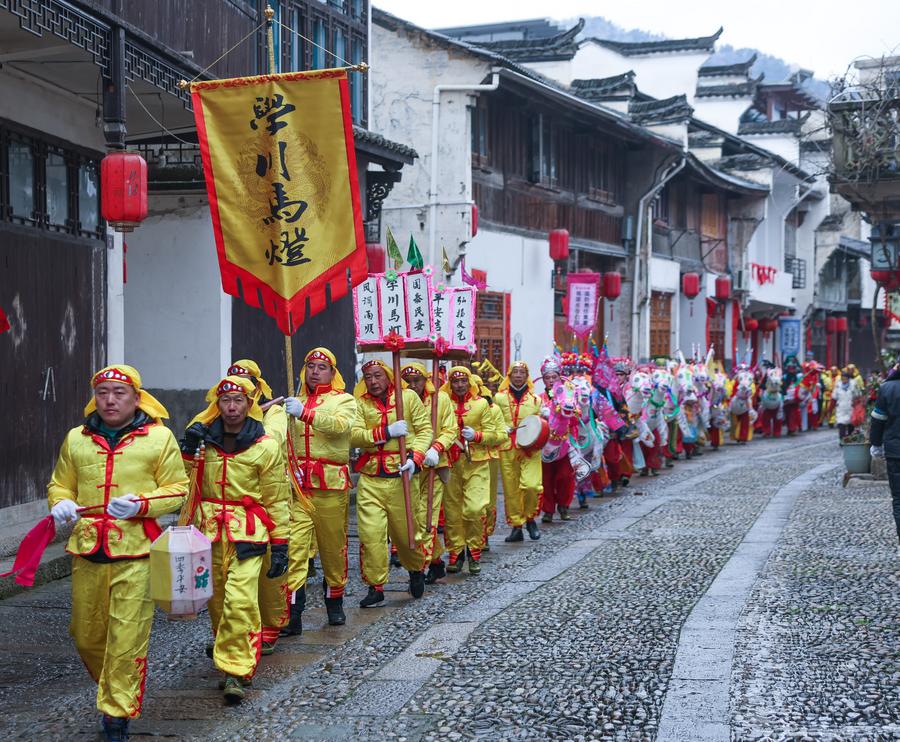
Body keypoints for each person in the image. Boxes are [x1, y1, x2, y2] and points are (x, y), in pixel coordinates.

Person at [48, 365, 188, 741]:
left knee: (127, 638)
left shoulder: (159, 439)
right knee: (86, 635)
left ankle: (116, 713)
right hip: (88, 547)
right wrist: (60, 503)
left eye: (118, 393)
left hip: (137, 552)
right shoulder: (76, 438)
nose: (109, 400)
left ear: (136, 398)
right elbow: (61, 484)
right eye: (103, 392)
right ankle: (114, 685)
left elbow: (178, 489)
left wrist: (142, 504)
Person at [181, 376, 290, 704]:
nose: (231, 407)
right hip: (208, 532)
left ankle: (237, 671)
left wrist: (281, 542)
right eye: (225, 400)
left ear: (250, 404)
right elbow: (181, 480)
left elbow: (276, 497)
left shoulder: (266, 445)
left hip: (248, 532)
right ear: (217, 403)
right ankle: (227, 654)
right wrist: (188, 450)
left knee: (240, 600)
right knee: (215, 602)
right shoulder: (203, 439)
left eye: (238, 400)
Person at [281, 348, 356, 630]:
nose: (315, 371)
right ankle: (293, 614)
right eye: (310, 365)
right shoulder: (292, 402)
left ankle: (334, 600)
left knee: (332, 550)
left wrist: (306, 414)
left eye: (322, 366)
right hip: (299, 488)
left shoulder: (344, 401)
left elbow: (341, 427)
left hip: (330, 487)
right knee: (294, 549)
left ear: (333, 372)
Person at [351, 359, 431, 606]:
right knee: (371, 535)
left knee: (406, 533)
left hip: (402, 477)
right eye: (368, 377)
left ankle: (415, 569)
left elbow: (425, 429)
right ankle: (375, 586)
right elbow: (354, 436)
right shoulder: (359, 404)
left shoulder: (407, 398)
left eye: (378, 375)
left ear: (388, 375)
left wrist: (415, 459)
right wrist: (385, 432)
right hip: (371, 478)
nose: (373, 382)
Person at [224, 360, 290, 655]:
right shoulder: (219, 418)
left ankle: (273, 624)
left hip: (266, 499)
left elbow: (273, 440)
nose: (233, 403)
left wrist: (254, 419)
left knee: (268, 572)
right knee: (228, 586)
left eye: (243, 393)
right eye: (228, 396)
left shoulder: (273, 412)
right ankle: (231, 636)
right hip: (223, 516)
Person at [442, 366, 505, 573]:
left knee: (474, 508)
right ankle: (456, 553)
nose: (459, 386)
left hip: (477, 462)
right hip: (450, 463)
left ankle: (474, 549)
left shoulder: (481, 405)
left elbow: (495, 434)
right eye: (455, 382)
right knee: (452, 511)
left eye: (463, 381)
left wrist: (477, 436)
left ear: (469, 382)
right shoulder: (443, 404)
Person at [400, 362, 458, 584]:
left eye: (417, 380)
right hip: (410, 465)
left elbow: (451, 428)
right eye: (408, 381)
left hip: (434, 464)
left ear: (426, 380)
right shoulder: (401, 399)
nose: (413, 385)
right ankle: (435, 561)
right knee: (412, 516)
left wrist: (437, 447)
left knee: (427, 517)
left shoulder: (440, 399)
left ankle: (420, 566)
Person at [495, 361, 544, 542]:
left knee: (532, 485)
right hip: (507, 447)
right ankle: (516, 526)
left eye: (521, 372)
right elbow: (492, 419)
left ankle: (530, 518)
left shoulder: (536, 400)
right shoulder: (498, 398)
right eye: (514, 372)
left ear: (527, 376)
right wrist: (502, 428)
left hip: (530, 447)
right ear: (509, 375)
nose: (517, 375)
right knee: (511, 489)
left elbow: (542, 426)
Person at [538, 357, 575, 523]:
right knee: (546, 478)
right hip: (545, 444)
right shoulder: (538, 399)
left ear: (560, 378)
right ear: (543, 379)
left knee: (565, 476)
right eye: (548, 377)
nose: (551, 380)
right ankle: (548, 510)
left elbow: (577, 415)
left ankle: (564, 505)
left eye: (554, 377)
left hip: (564, 443)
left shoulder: (568, 395)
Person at [868, 363, 900, 543]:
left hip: (896, 452)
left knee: (899, 498)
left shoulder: (887, 388)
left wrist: (876, 445)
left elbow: (878, 419)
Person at [832, 368, 860, 439]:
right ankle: (842, 441)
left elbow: (858, 395)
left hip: (850, 408)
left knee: (851, 425)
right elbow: (834, 396)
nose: (844, 380)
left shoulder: (853, 385)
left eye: (845, 379)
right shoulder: (838, 386)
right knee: (841, 425)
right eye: (843, 379)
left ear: (848, 379)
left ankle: (850, 440)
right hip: (841, 408)